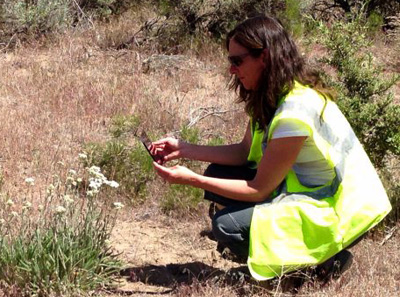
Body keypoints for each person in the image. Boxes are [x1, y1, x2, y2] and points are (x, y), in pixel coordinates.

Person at [151, 14, 391, 280]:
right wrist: (184, 148)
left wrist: (192, 180)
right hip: (314, 194)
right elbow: (244, 153)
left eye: (237, 61)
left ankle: (314, 267)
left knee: (227, 226)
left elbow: (257, 189)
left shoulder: (292, 113)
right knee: (217, 173)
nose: (232, 69)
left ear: (263, 57)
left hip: (340, 212)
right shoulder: (274, 96)